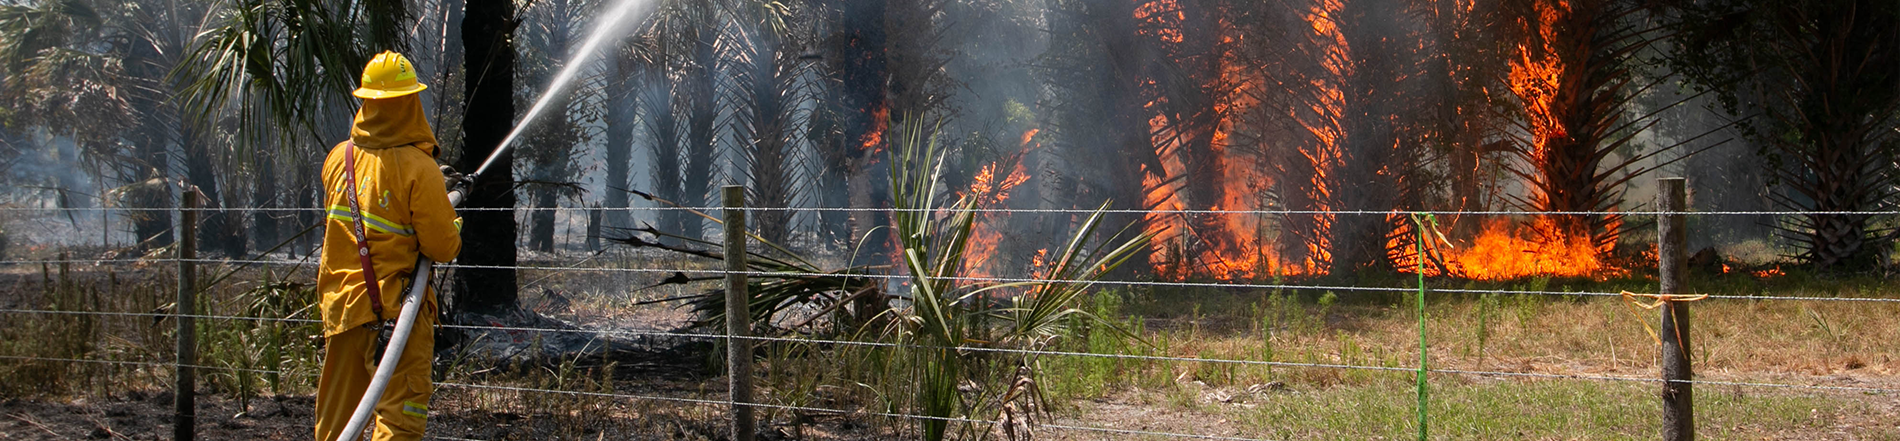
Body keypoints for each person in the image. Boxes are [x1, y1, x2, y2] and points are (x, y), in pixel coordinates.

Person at [314, 51, 461, 441]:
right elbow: (443, 247)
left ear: (366, 101)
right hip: (397, 315)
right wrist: (452, 217)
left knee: (337, 423)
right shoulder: (419, 168)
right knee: (399, 422)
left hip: (344, 310)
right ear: (411, 102)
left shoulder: (337, 158)